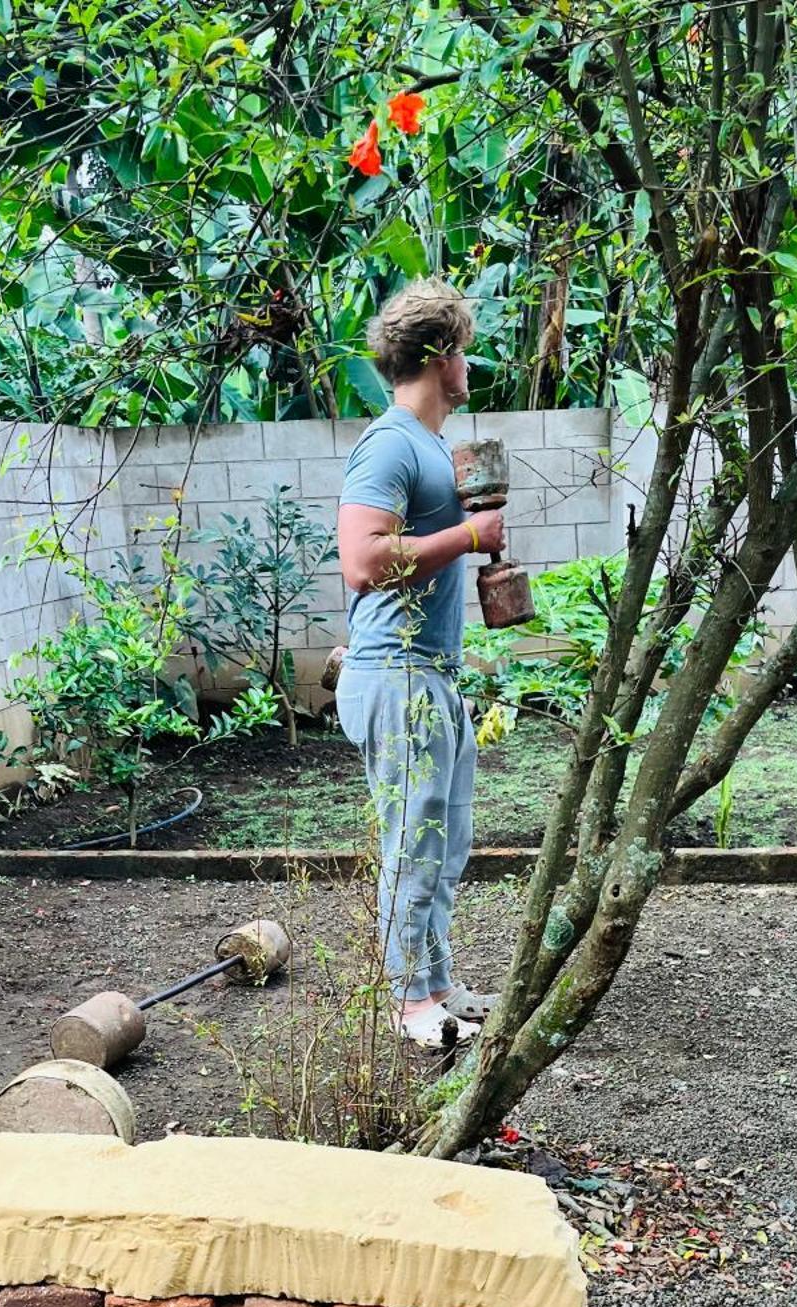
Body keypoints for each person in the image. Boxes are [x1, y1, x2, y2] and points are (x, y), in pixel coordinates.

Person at [335, 279, 504, 1047]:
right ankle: (411, 1006)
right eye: (463, 348)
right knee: (414, 840)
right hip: (395, 671)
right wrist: (469, 538)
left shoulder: (432, 447)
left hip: (429, 672)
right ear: (441, 356)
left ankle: (435, 982)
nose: (470, 363)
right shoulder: (391, 441)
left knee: (446, 839)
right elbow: (362, 560)